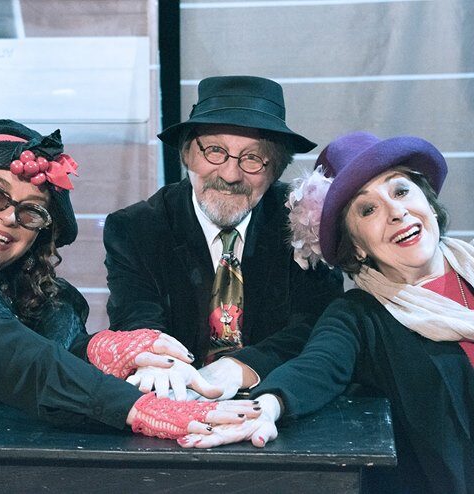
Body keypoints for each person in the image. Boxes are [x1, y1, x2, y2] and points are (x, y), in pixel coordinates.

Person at [0, 119, 260, 492]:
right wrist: (139, 409)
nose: (9, 217)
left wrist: (106, 348)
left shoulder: (27, 288)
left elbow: (53, 347)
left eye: (31, 212)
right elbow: (13, 354)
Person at [179, 132, 474, 493]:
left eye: (400, 191)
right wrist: (266, 407)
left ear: (428, 202)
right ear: (357, 246)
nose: (396, 212)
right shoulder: (359, 317)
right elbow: (316, 367)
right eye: (368, 210)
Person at [103, 76, 344, 398]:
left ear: (275, 171)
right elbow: (137, 319)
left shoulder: (306, 221)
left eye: (253, 158)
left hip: (278, 394)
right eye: (215, 151)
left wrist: (238, 368)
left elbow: (316, 327)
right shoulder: (136, 228)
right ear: (187, 155)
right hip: (172, 394)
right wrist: (160, 362)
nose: (231, 175)